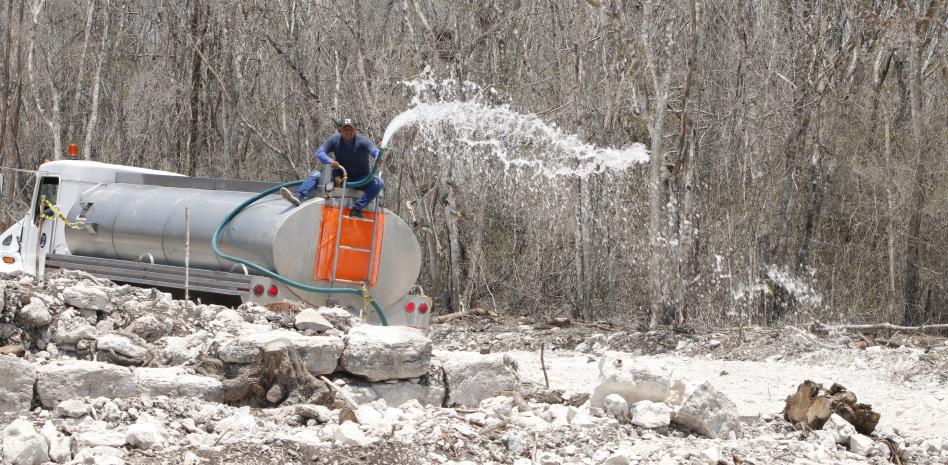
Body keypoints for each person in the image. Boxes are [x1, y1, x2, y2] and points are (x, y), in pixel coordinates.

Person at [281, 118, 383, 218]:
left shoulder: (363, 141)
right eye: (345, 130)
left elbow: (375, 152)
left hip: (361, 179)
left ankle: (357, 209)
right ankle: (298, 196)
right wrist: (331, 162)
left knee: (378, 182)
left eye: (350, 129)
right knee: (316, 174)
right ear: (340, 131)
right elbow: (320, 153)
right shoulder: (335, 139)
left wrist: (379, 157)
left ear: (356, 130)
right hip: (341, 177)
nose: (348, 132)